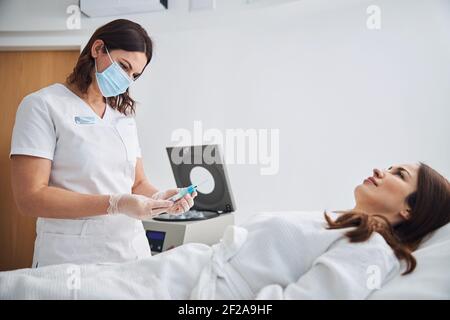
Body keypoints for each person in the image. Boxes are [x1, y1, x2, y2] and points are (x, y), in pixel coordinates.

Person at [1, 163, 448, 300]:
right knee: (31, 286)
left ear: (411, 209)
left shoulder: (373, 250)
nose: (379, 169)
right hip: (174, 275)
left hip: (188, 293)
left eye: (396, 173)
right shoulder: (341, 223)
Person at [9, 19, 197, 268]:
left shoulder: (123, 115)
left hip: (130, 254)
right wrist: (114, 204)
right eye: (123, 66)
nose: (127, 79)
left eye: (134, 75)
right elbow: (30, 197)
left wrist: (161, 199)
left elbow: (137, 183)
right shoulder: (42, 105)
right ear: (97, 49)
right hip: (71, 259)